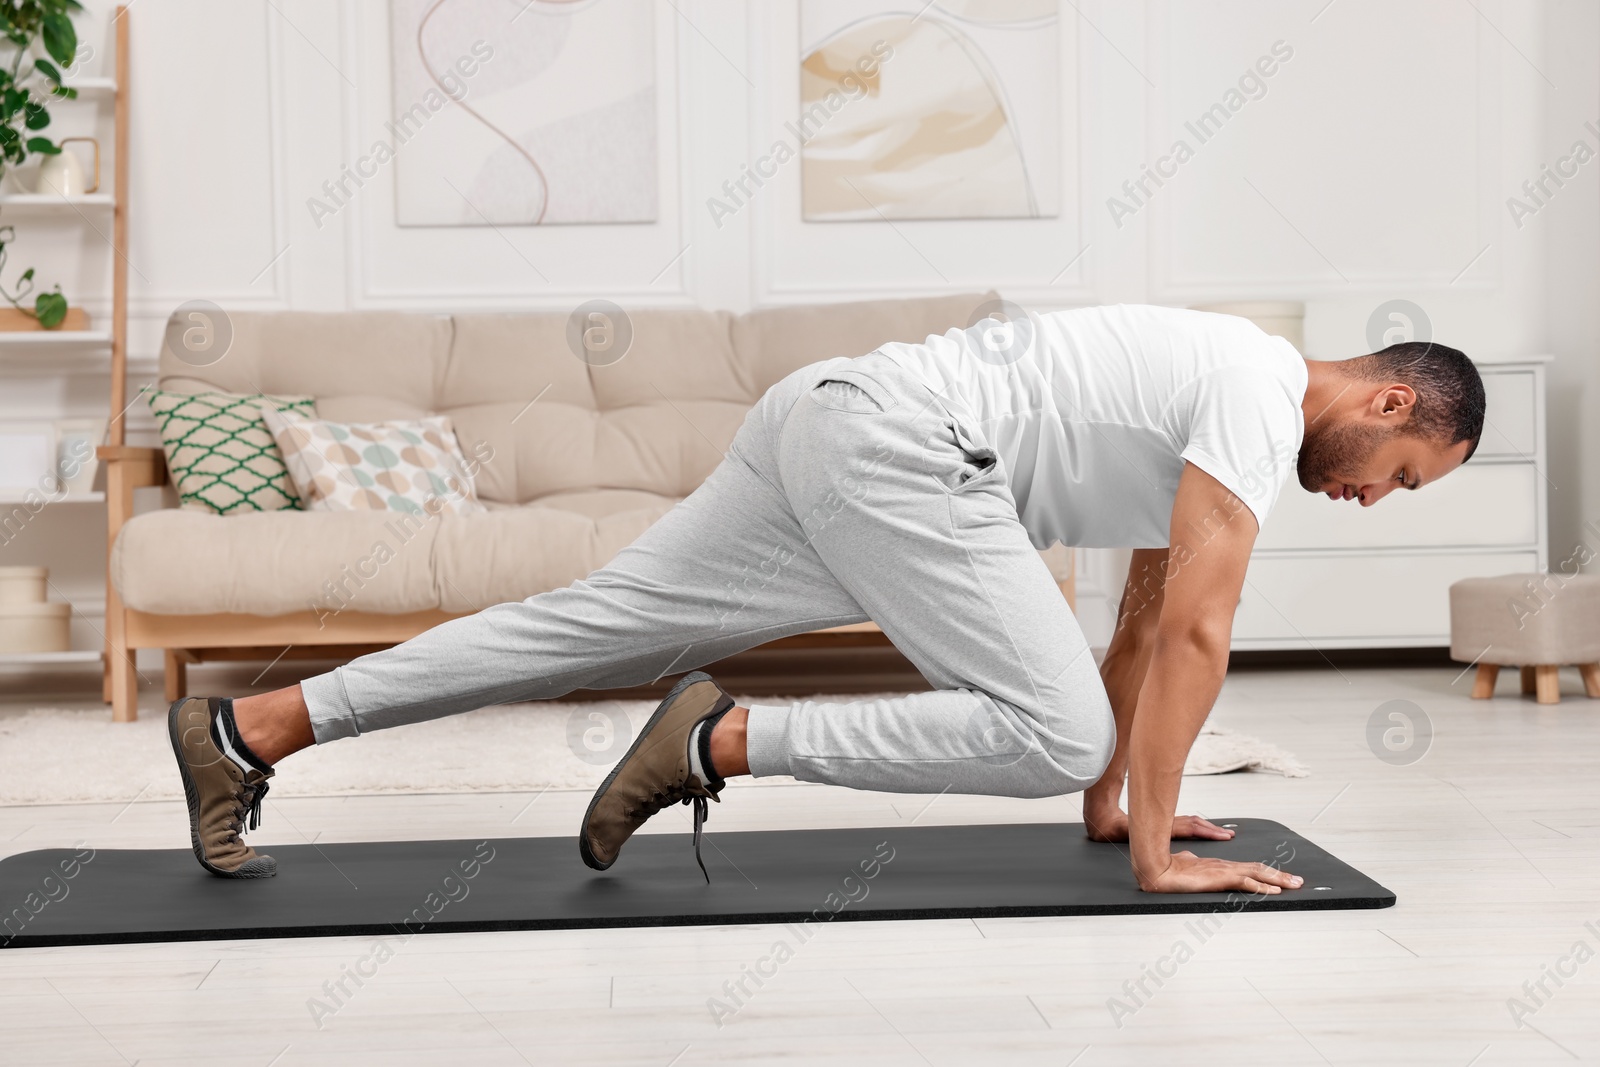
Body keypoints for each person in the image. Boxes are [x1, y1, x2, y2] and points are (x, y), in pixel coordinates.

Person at [167, 304, 1484, 894]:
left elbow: (1147, 620)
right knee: (1053, 725)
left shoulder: (1226, 407)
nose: (1377, 498)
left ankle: (253, 728)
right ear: (1384, 403)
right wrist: (1150, 853)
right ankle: (718, 738)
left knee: (587, 623)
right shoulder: (1256, 394)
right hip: (896, 447)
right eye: (1403, 474)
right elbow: (1202, 627)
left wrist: (1112, 816)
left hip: (831, 421)